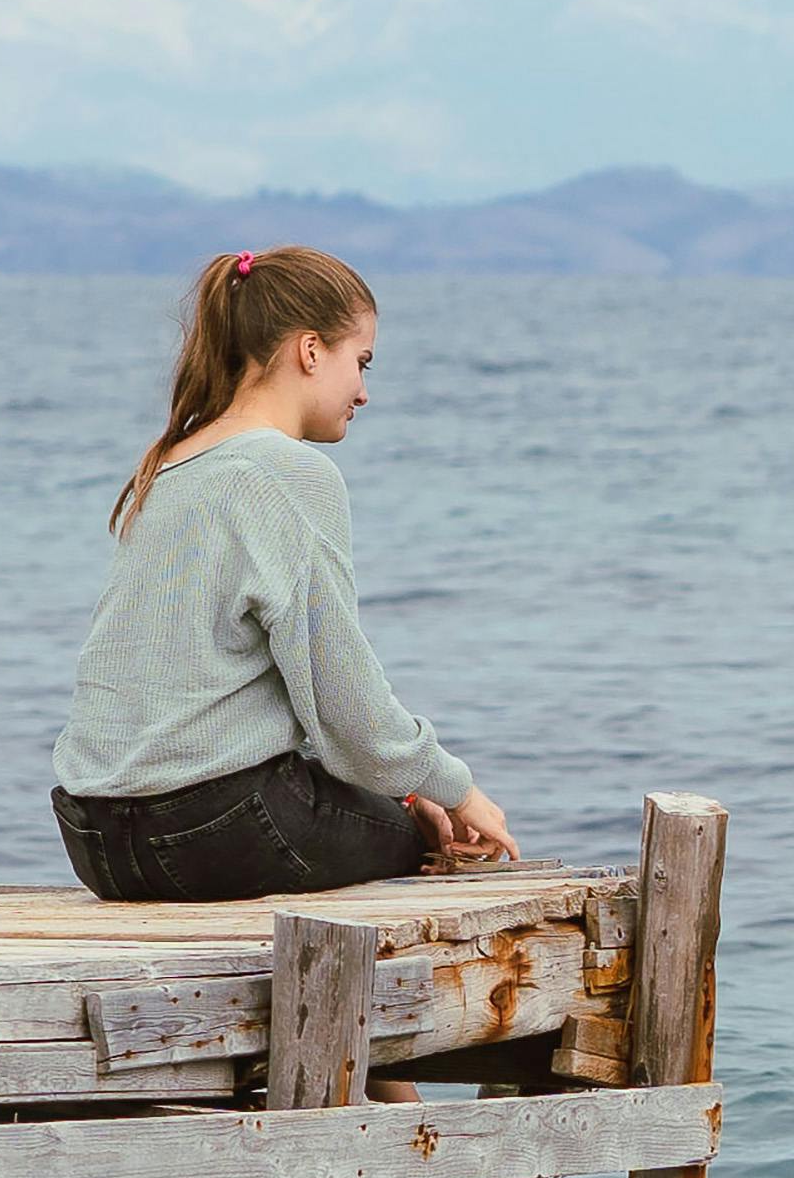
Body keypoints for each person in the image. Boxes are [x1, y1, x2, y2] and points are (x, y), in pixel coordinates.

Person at [49, 244, 522, 902]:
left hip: (92, 840)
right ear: (308, 351)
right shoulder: (286, 471)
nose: (363, 390)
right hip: (209, 833)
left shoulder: (174, 464)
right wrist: (454, 791)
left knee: (376, 798)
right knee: (417, 832)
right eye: (359, 361)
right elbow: (344, 701)